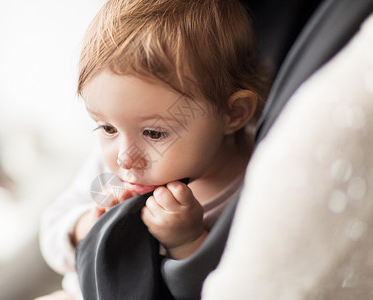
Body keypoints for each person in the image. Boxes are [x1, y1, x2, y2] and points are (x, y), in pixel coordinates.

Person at [37, 0, 269, 298]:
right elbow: (53, 232)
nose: (124, 157)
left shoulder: (253, 187)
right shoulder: (113, 168)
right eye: (108, 128)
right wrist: (90, 226)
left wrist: (188, 243)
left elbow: (229, 289)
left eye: (154, 132)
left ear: (233, 114)